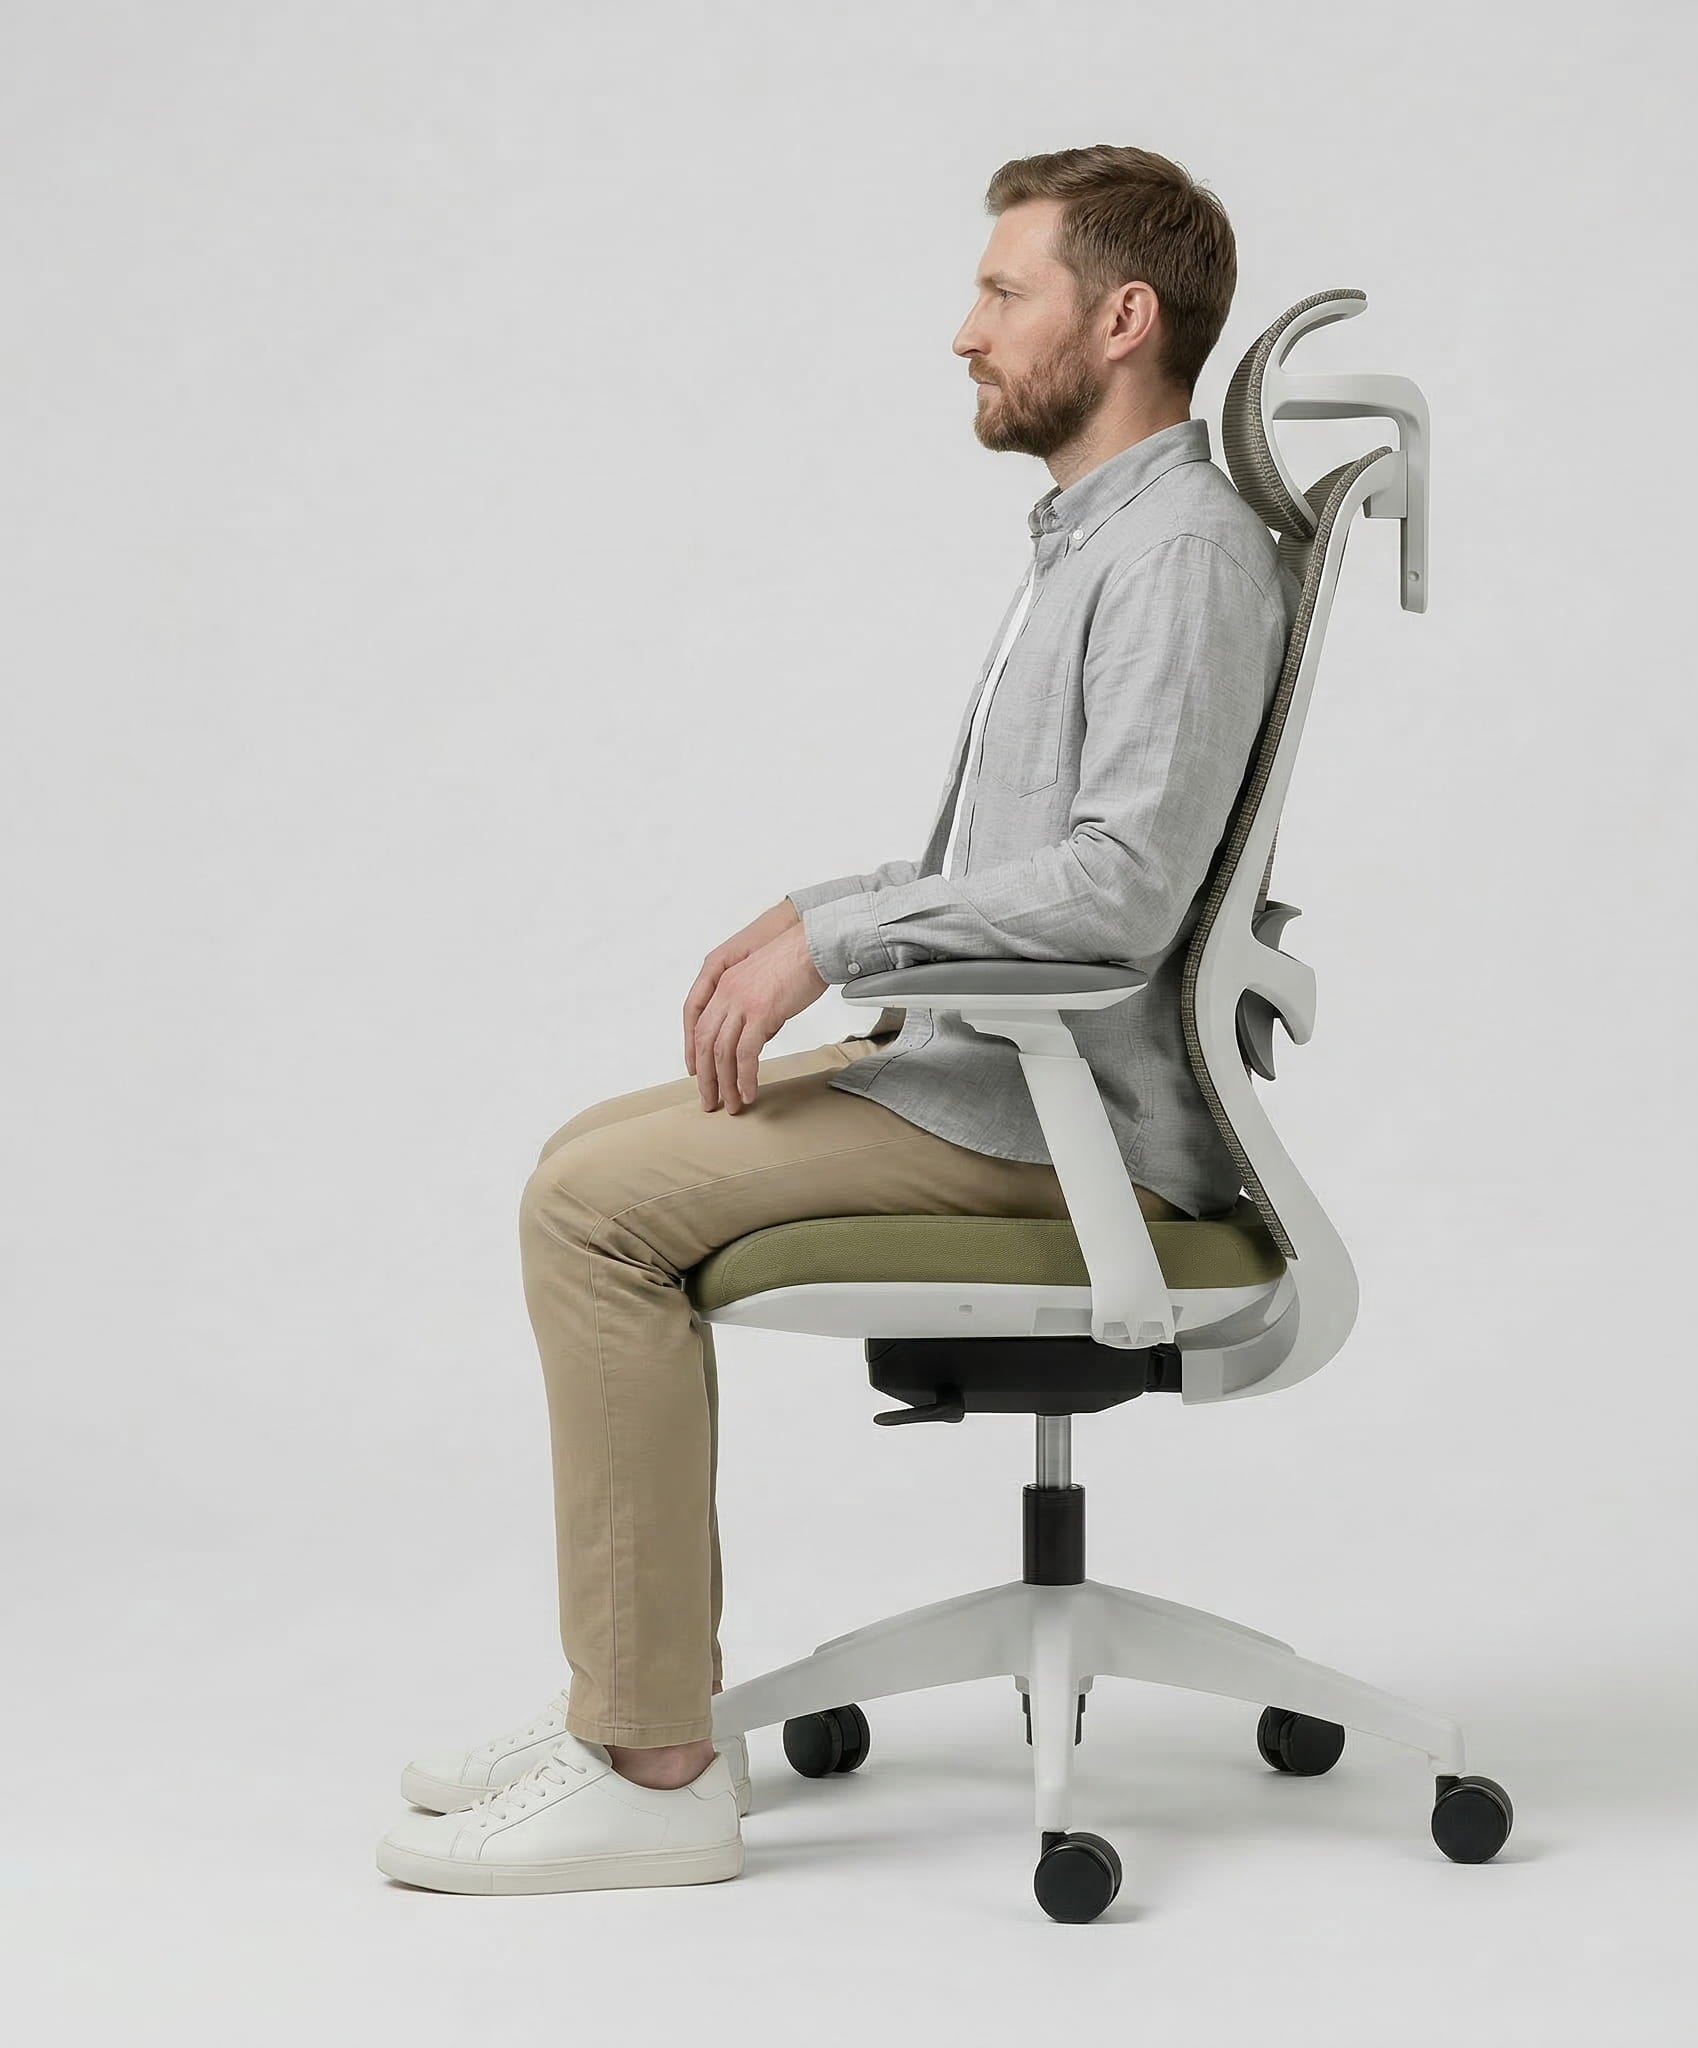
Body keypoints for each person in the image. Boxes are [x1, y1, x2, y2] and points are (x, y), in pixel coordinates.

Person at [375, 143, 1297, 1896]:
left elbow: (1114, 892)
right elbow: (1054, 864)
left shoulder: (1174, 553)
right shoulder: (1104, 535)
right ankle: (622, 1705)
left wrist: (841, 932)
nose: (964, 332)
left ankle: (651, 1772)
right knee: (592, 1152)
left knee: (593, 1211)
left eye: (1002, 291)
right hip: (1008, 1086)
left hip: (1067, 1129)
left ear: (1122, 317)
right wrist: (831, 914)